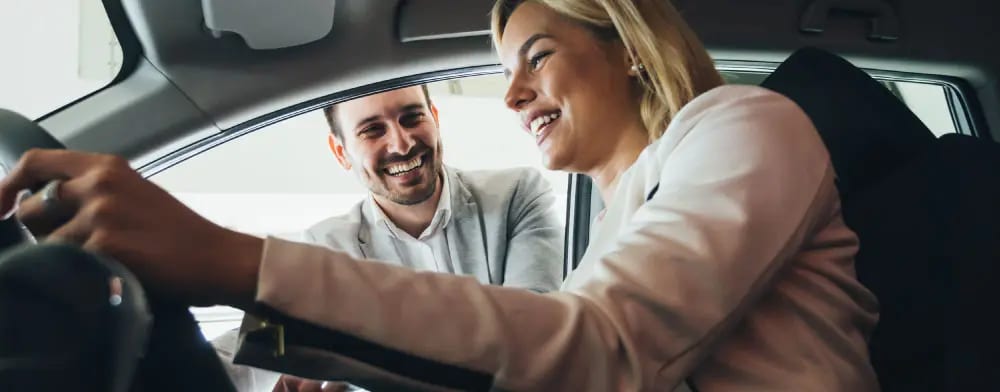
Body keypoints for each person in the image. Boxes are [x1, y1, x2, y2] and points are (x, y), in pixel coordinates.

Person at [0, 0, 880, 390]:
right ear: (343, 154)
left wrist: (234, 261)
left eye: (536, 55)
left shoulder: (745, 123)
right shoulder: (617, 224)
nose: (511, 96)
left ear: (631, 46)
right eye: (505, 71)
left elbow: (601, 354)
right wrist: (260, 334)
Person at [213, 85, 564, 391]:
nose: (402, 142)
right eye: (372, 130)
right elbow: (254, 345)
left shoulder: (518, 195)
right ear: (341, 153)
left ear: (435, 117)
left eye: (412, 118)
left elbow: (530, 336)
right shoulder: (325, 248)